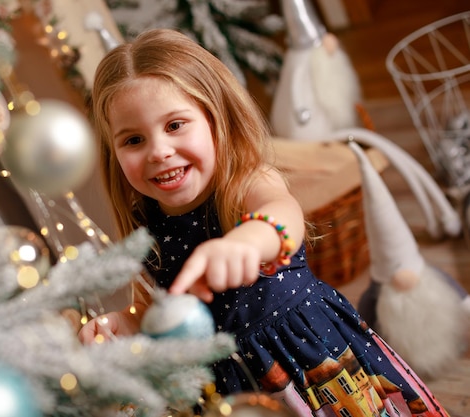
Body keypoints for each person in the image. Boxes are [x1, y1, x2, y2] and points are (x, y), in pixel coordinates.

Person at [79, 28, 449, 416]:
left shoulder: (247, 183)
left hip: (310, 362)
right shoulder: (145, 227)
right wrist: (125, 321)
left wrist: (246, 242)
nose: (159, 151)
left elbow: (282, 218)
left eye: (175, 125)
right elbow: (157, 306)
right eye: (133, 140)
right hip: (230, 392)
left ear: (215, 118)